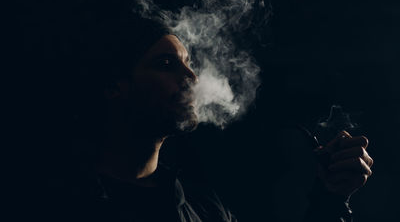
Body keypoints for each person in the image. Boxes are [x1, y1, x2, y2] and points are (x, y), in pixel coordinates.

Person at [43, 11, 373, 222]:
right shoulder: (56, 201)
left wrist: (330, 199)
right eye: (167, 64)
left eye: (189, 63)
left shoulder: (206, 209)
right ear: (115, 86)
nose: (193, 78)